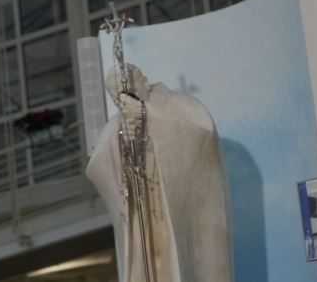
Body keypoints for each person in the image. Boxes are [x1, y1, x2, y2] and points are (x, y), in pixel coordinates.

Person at [86, 63, 233, 282]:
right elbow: (99, 167)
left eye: (130, 95)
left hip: (183, 221)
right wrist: (123, 141)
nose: (125, 104)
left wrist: (149, 118)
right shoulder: (115, 127)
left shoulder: (182, 106)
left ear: (144, 82)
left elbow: (202, 134)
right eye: (118, 100)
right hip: (147, 229)